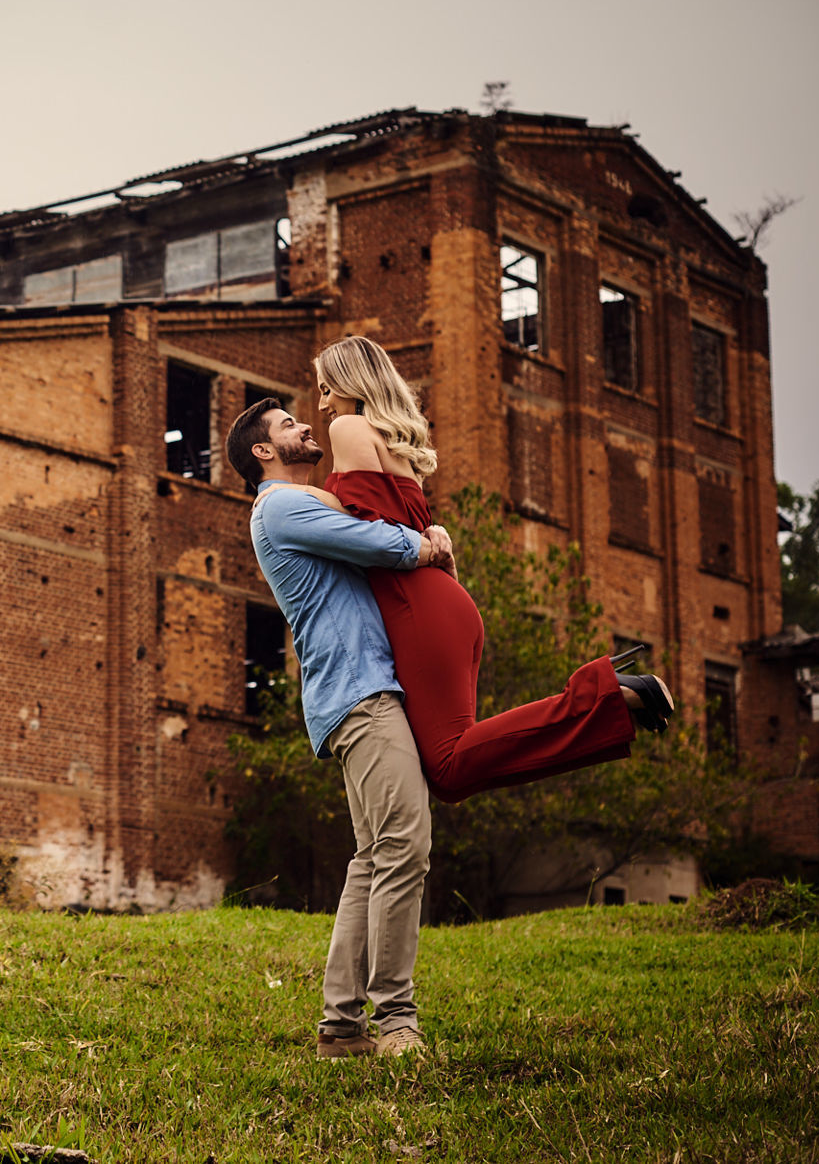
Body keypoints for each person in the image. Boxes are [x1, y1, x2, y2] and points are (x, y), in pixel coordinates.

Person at [309, 335, 672, 803]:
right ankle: (609, 704)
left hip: (414, 605)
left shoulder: (350, 429)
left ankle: (601, 692)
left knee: (448, 763)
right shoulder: (393, 440)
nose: (321, 405)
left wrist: (303, 501)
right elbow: (396, 524)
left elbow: (369, 534)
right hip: (441, 606)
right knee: (448, 776)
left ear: (350, 382)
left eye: (325, 389)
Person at [230, 397, 453, 1059]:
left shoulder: (307, 503)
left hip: (357, 693)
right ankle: (397, 1022)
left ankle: (340, 1028)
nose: (303, 425)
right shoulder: (279, 506)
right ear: (264, 452)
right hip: (361, 695)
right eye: (285, 425)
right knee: (405, 847)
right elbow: (375, 542)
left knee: (374, 859)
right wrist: (425, 544)